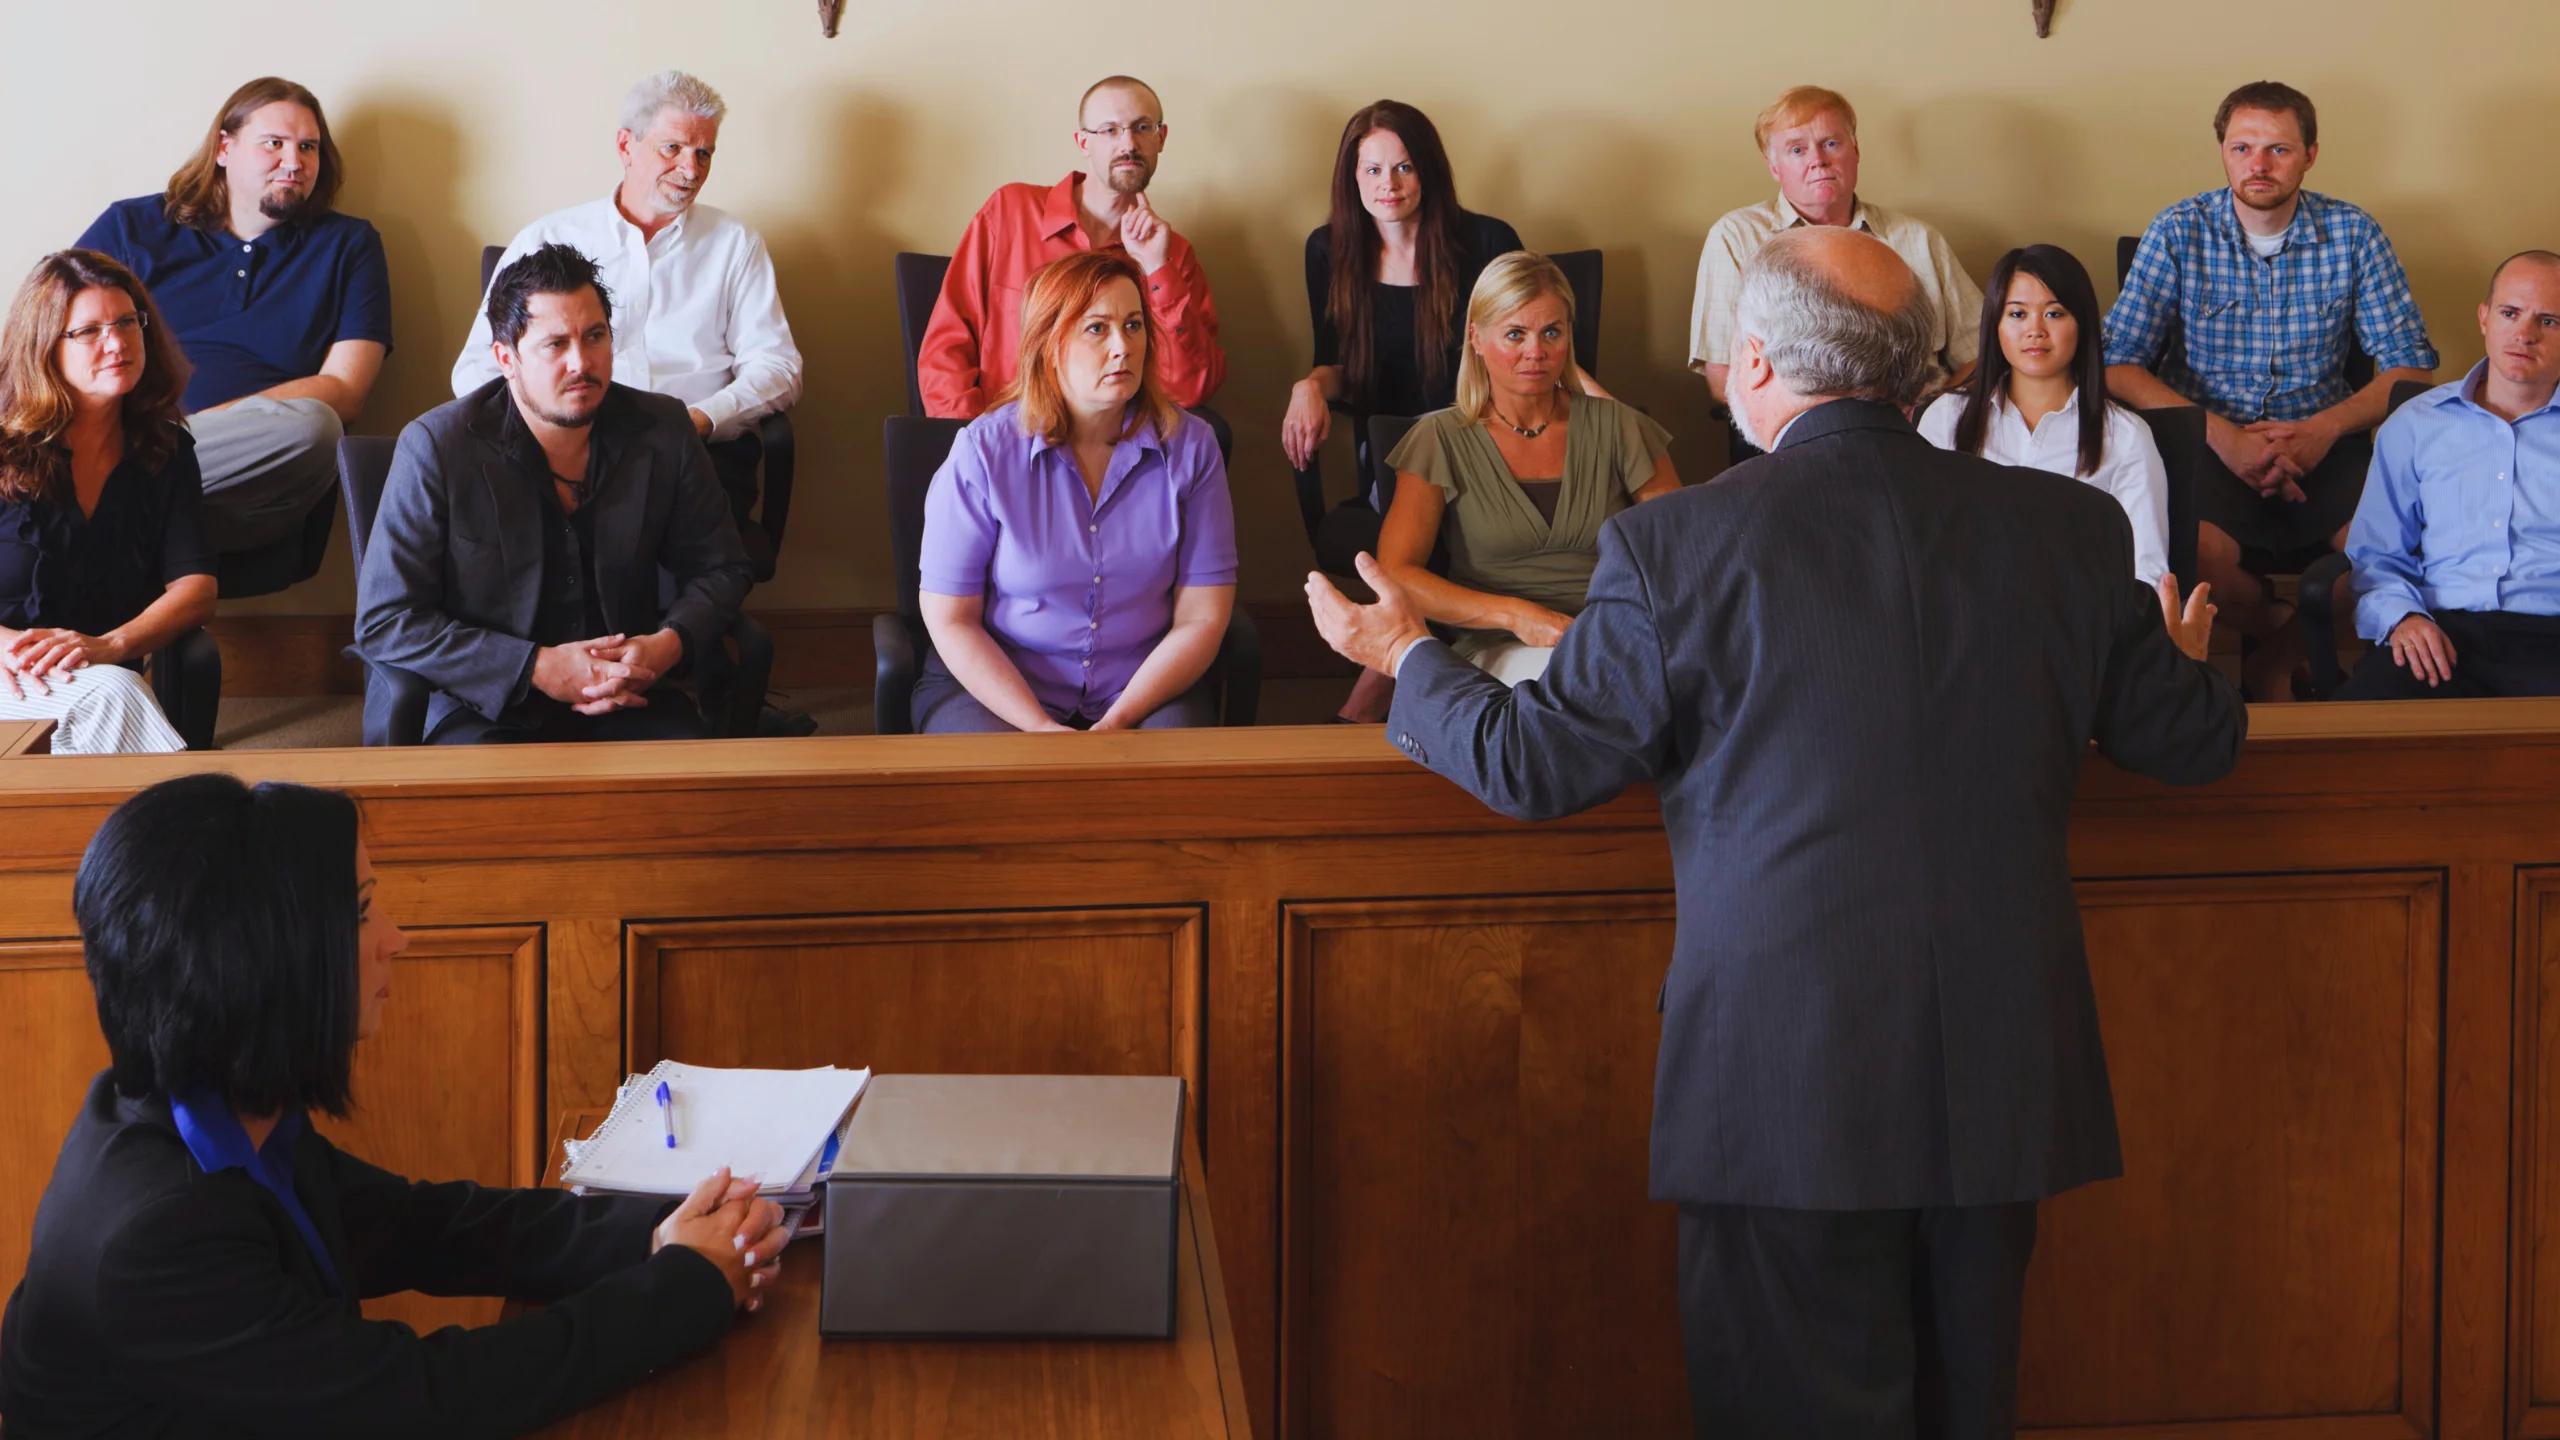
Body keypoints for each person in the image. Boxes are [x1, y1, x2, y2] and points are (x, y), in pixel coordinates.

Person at [1305, 226, 2247, 1437]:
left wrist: (1405, 658)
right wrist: (2181, 663)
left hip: (1783, 1074)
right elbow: (2192, 743)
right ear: (1921, 374)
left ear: (1752, 366)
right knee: (1970, 1407)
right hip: (2001, 1066)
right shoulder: (2067, 531)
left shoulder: (1671, 546)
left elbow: (1538, 766)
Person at [0, 774, 787, 1436]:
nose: (396, 938)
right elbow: (418, 1399)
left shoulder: (211, 1112)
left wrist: (665, 1230)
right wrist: (687, 1285)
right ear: (263, 958)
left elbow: (424, 1227)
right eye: (363, 909)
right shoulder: (154, 1236)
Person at [2105, 80, 2437, 700]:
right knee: (2184, 552)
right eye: (2242, 148)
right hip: (2207, 443)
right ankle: (2282, 633)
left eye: (2278, 150)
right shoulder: (2179, 230)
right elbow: (2115, 364)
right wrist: (2221, 436)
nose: (2258, 165)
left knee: (2391, 548)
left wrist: (2322, 430)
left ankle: (2268, 663)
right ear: (2223, 151)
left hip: (2324, 441)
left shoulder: (2354, 234)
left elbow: (2412, 369)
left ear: (2311, 154)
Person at [356, 244, 751, 746]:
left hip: (625, 694)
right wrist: (537, 667)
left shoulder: (664, 429)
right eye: (555, 345)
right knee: (511, 820)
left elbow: (723, 567)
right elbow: (387, 620)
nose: (581, 363)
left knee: (692, 809)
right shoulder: (437, 447)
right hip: (481, 705)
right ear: (506, 359)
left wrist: (666, 646)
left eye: (595, 337)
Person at [451, 71, 803, 579]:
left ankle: (670, 650)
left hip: (691, 454)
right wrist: (548, 430)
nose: (691, 168)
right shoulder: (551, 236)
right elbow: (477, 368)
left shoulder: (735, 244)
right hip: (560, 451)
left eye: (704, 153)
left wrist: (700, 420)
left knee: (634, 542)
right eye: (673, 148)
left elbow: (780, 367)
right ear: (626, 145)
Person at [914, 250, 1235, 732]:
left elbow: (1202, 618)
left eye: (1133, 325)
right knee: (1004, 797)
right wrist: (1041, 729)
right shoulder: (983, 452)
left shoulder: (1192, 448)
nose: (1122, 347)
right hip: (997, 686)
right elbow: (950, 618)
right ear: (1048, 342)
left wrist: (1120, 719)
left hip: (1141, 688)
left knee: (1167, 793)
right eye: (1096, 328)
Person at [74, 77, 390, 554]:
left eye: (308, 147)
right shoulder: (131, 228)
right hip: (122, 439)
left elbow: (345, 392)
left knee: (315, 427)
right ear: (224, 148)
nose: (294, 161)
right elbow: (49, 339)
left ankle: (107, 508)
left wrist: (179, 437)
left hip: (243, 478)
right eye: (274, 144)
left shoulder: (349, 245)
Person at [1375, 251, 1678, 687]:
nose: (1536, 352)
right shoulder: (1439, 439)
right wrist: (1515, 615)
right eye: (1515, 334)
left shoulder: (1620, 426)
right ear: (1476, 338)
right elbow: (1397, 574)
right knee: (1581, 688)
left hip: (1620, 636)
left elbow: (1677, 552)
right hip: (1502, 646)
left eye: (1551, 332)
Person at [1284, 100, 1529, 571]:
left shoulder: (1488, 242)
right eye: (1372, 169)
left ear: (1429, 172)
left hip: (1482, 439)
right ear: (1352, 177)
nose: (1388, 185)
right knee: (1416, 525)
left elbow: (1531, 353)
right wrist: (1309, 385)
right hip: (1390, 453)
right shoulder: (1328, 250)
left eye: (1404, 168)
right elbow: (1335, 363)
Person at [0, 251, 214, 754]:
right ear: (44, 347)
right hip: (9, 672)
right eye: (88, 331)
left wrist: (111, 645)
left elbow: (197, 589)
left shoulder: (164, 450)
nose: (116, 342)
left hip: (90, 677)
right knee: (114, 696)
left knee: (107, 706)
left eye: (126, 322)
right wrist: (10, 648)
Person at [917, 76, 1224, 419]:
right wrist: (973, 443)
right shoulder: (1010, 212)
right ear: (1083, 142)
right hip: (1006, 441)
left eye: (1142, 127)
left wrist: (1157, 269)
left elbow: (1191, 389)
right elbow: (945, 350)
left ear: (1160, 138)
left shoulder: (1172, 254)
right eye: (1109, 130)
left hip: (1111, 454)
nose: (1128, 144)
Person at [2339, 251, 2560, 699]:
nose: (2524, 334)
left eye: (2549, 321)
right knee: (2346, 744)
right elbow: (2376, 556)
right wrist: (2403, 616)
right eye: (2510, 313)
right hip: (2441, 634)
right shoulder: (2416, 423)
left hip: (2550, 635)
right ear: (2484, 318)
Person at [1688, 86, 1982, 411]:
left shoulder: (1920, 240)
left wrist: (1935, 417)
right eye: (1797, 150)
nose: (1818, 160)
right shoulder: (1737, 237)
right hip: (1796, 440)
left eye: (1830, 143)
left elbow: (1982, 356)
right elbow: (1722, 379)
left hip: (1920, 432)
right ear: (1774, 167)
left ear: (1855, 151)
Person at [1920, 245, 2171, 585]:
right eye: (2017, 314)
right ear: (1995, 323)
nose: (2035, 330)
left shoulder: (2125, 438)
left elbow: (2148, 575)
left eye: (2054, 313)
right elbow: (1921, 543)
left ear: (2082, 323)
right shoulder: (1947, 418)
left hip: (2081, 621)